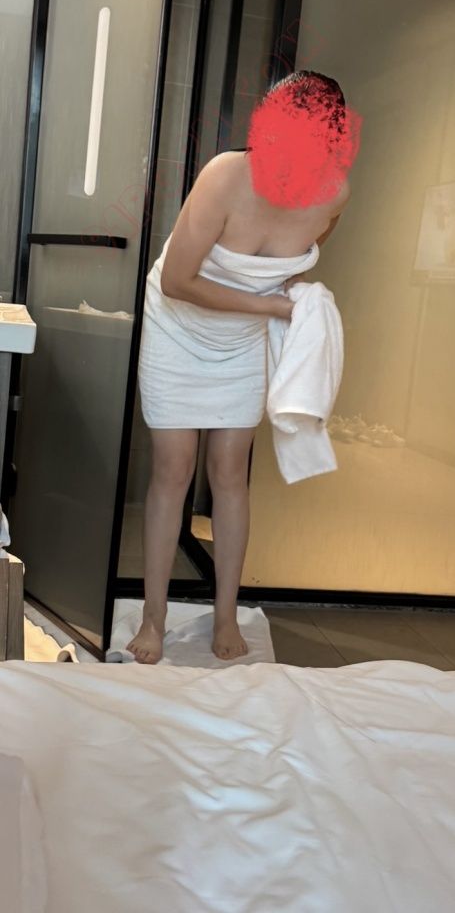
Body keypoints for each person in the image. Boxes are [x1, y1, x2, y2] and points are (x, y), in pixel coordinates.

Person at [127, 70, 361, 664]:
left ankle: (226, 615)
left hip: (242, 336)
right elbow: (178, 281)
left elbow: (295, 265)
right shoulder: (226, 175)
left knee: (230, 470)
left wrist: (293, 301)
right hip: (178, 327)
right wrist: (275, 307)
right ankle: (153, 619)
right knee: (173, 468)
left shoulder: (334, 194)